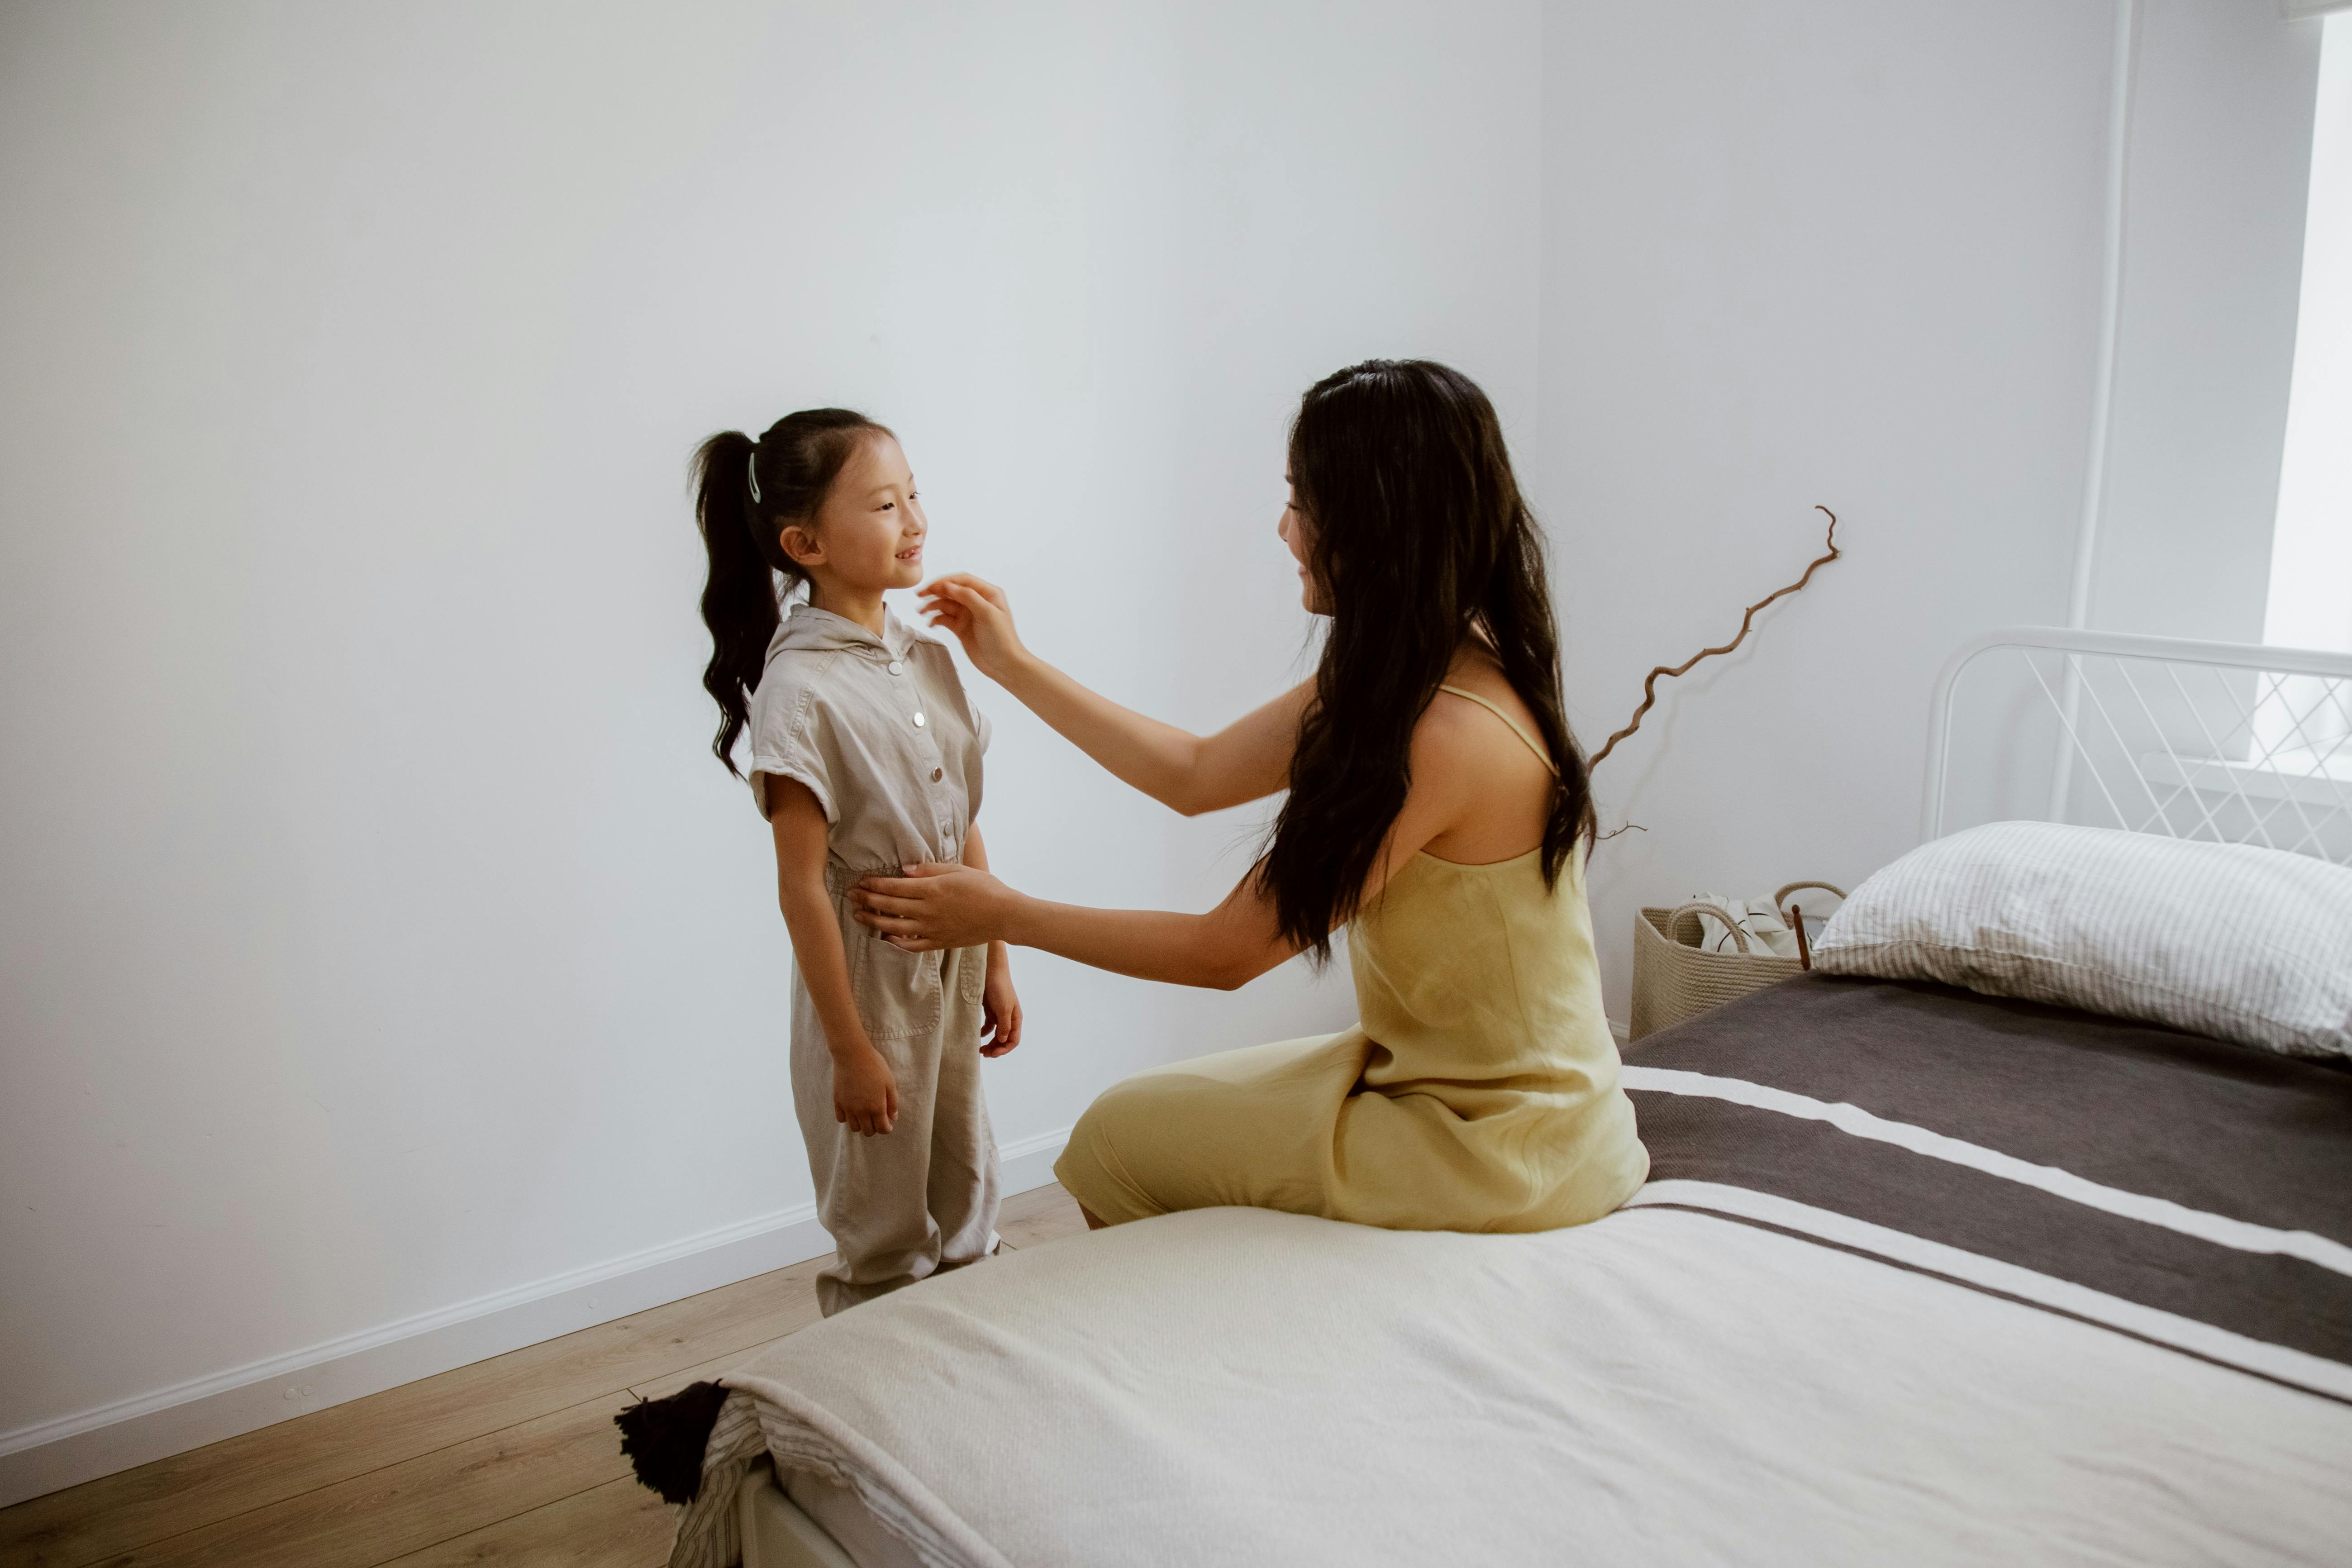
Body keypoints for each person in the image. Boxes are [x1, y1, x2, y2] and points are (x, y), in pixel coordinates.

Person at [850, 359, 1647, 1234]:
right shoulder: (1428, 661)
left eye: (1303, 502)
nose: (1284, 528)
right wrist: (1013, 664)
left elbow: (1223, 954)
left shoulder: (1441, 734)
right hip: (1459, 1083)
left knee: (1112, 1141)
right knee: (1136, 1115)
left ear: (1375, 523)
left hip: (1502, 1145)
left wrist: (999, 912)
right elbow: (1195, 775)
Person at [689, 409, 1022, 1315]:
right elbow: (802, 889)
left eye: (914, 495)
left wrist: (995, 953)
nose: (914, 520)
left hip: (953, 961)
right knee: (880, 1211)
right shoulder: (797, 689)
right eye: (883, 503)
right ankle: (872, 1394)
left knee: (967, 1182)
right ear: (806, 543)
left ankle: (976, 1372)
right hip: (871, 982)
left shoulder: (928, 659)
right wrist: (850, 1049)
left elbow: (962, 823)